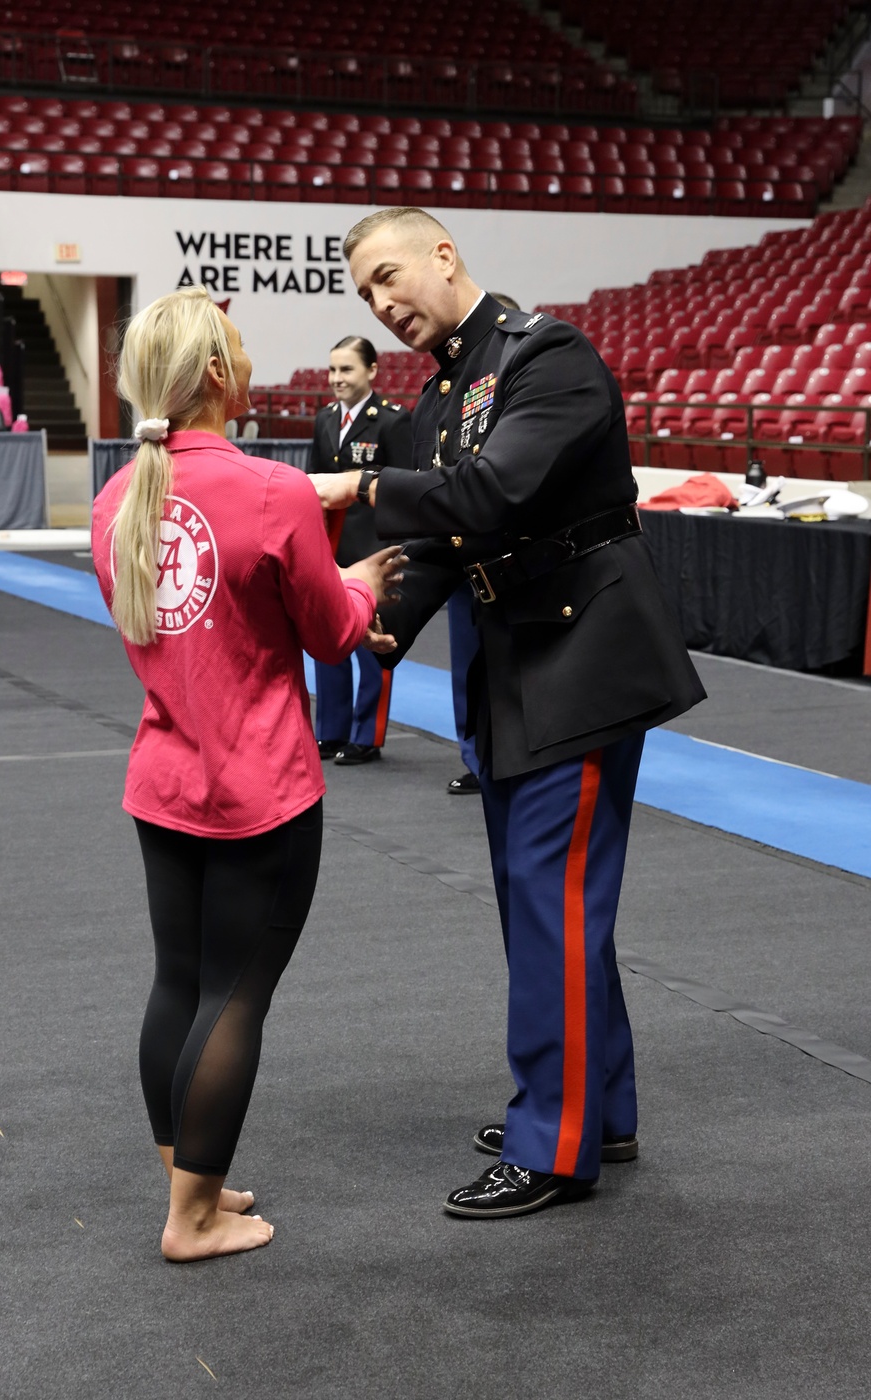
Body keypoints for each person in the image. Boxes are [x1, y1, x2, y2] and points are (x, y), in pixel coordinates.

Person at [310, 208, 706, 1220]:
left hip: (580, 658)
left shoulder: (549, 354)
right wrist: (374, 623)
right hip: (518, 661)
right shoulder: (446, 387)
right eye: (365, 295)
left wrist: (354, 481)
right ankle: (595, 1106)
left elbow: (488, 495)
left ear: (444, 254)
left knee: (550, 897)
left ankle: (552, 1139)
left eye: (390, 275)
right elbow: (445, 544)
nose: (383, 303)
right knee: (546, 900)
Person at [91, 287, 404, 1260]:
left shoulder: (116, 498)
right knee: (235, 994)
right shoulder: (267, 491)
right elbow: (327, 631)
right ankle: (190, 1217)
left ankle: (193, 1181)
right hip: (259, 787)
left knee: (179, 982)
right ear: (220, 375)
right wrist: (361, 587)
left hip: (164, 776)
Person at [307, 336, 413, 765]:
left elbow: (405, 489)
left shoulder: (392, 421)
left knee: (373, 647)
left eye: (346, 370)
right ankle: (331, 730)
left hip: (372, 548)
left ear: (371, 371)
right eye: (333, 370)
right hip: (328, 548)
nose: (337, 379)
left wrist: (396, 550)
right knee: (328, 639)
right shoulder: (324, 419)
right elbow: (313, 485)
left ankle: (366, 735)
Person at [445, 294, 521, 797]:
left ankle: (506, 753)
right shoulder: (455, 393)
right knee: (463, 662)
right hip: (459, 551)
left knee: (508, 662)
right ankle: (474, 756)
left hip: (511, 556)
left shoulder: (525, 382)